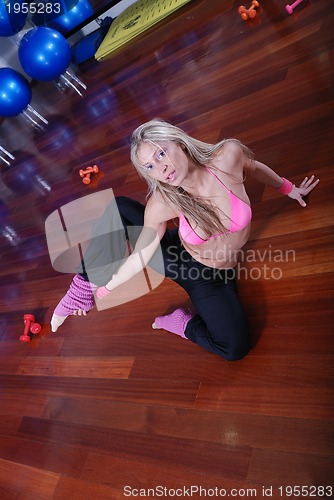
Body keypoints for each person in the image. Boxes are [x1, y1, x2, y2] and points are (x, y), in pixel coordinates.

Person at [50, 118, 319, 360]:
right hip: (182, 263)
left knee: (235, 347)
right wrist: (104, 290)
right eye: (150, 166)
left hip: (221, 274)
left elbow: (254, 167)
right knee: (120, 207)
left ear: (179, 142)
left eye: (161, 152)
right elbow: (142, 254)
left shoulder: (227, 157)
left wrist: (288, 189)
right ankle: (80, 290)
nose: (161, 167)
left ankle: (180, 322)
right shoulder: (162, 202)